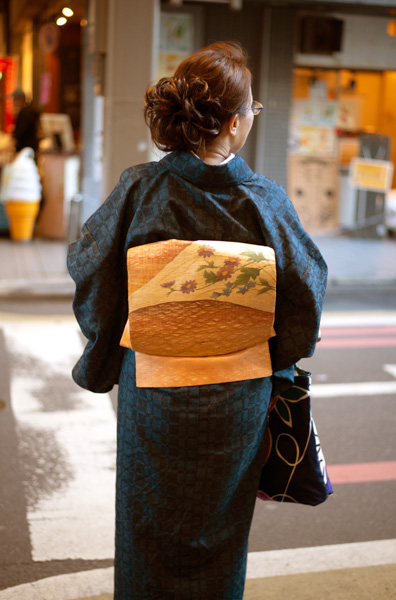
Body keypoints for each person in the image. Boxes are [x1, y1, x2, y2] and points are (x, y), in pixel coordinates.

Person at [68, 41, 327, 600]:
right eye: (253, 110)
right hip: (237, 395)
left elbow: (93, 270)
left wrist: (104, 354)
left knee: (148, 523)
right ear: (234, 123)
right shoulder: (265, 201)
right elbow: (305, 293)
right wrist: (273, 362)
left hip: (155, 389)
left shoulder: (140, 189)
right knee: (219, 531)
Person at [10, 89, 41, 156]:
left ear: (21, 100)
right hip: (32, 149)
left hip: (24, 150)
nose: (13, 102)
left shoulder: (24, 114)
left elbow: (19, 133)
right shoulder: (30, 111)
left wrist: (9, 146)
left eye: (15, 99)